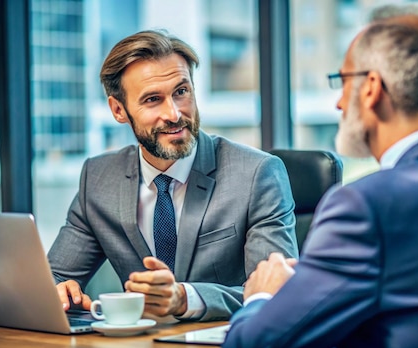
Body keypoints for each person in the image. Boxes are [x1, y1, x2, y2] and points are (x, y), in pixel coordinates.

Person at [221, 2, 418, 348]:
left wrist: (262, 296)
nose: (339, 103)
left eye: (343, 82)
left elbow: (251, 346)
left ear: (372, 88)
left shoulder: (366, 207)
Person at [47, 29, 298, 322]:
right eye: (153, 99)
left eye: (181, 92)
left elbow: (275, 293)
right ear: (118, 110)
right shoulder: (99, 178)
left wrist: (184, 298)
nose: (175, 114)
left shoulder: (256, 174)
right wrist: (60, 291)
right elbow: (55, 276)